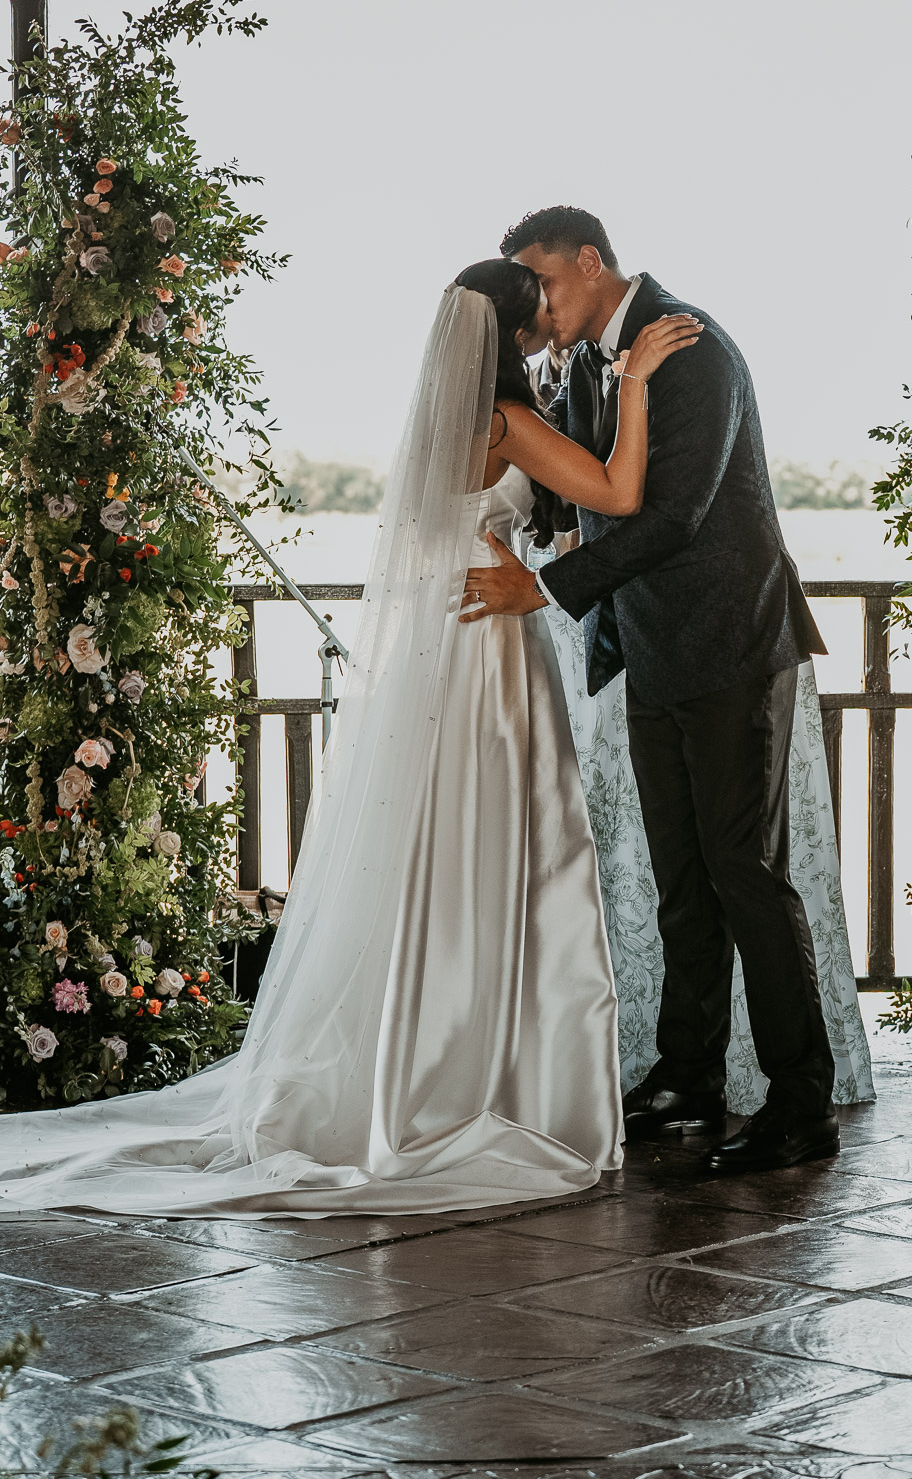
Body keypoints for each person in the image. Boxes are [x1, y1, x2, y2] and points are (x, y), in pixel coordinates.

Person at [0, 264, 698, 1217]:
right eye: (533, 320)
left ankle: (417, 1060)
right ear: (504, 331)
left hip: (443, 648)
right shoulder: (502, 420)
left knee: (437, 856)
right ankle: (488, 1079)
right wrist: (635, 381)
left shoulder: (447, 421)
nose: (546, 330)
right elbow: (620, 496)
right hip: (492, 650)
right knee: (507, 853)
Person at [464, 207, 841, 1174]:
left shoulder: (691, 346)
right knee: (683, 881)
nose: (537, 305)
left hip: (729, 646)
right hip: (651, 650)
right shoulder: (592, 364)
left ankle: (803, 1104)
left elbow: (674, 517)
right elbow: (586, 494)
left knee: (744, 873)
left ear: (590, 261)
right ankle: (687, 1080)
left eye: (544, 282)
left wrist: (542, 590)